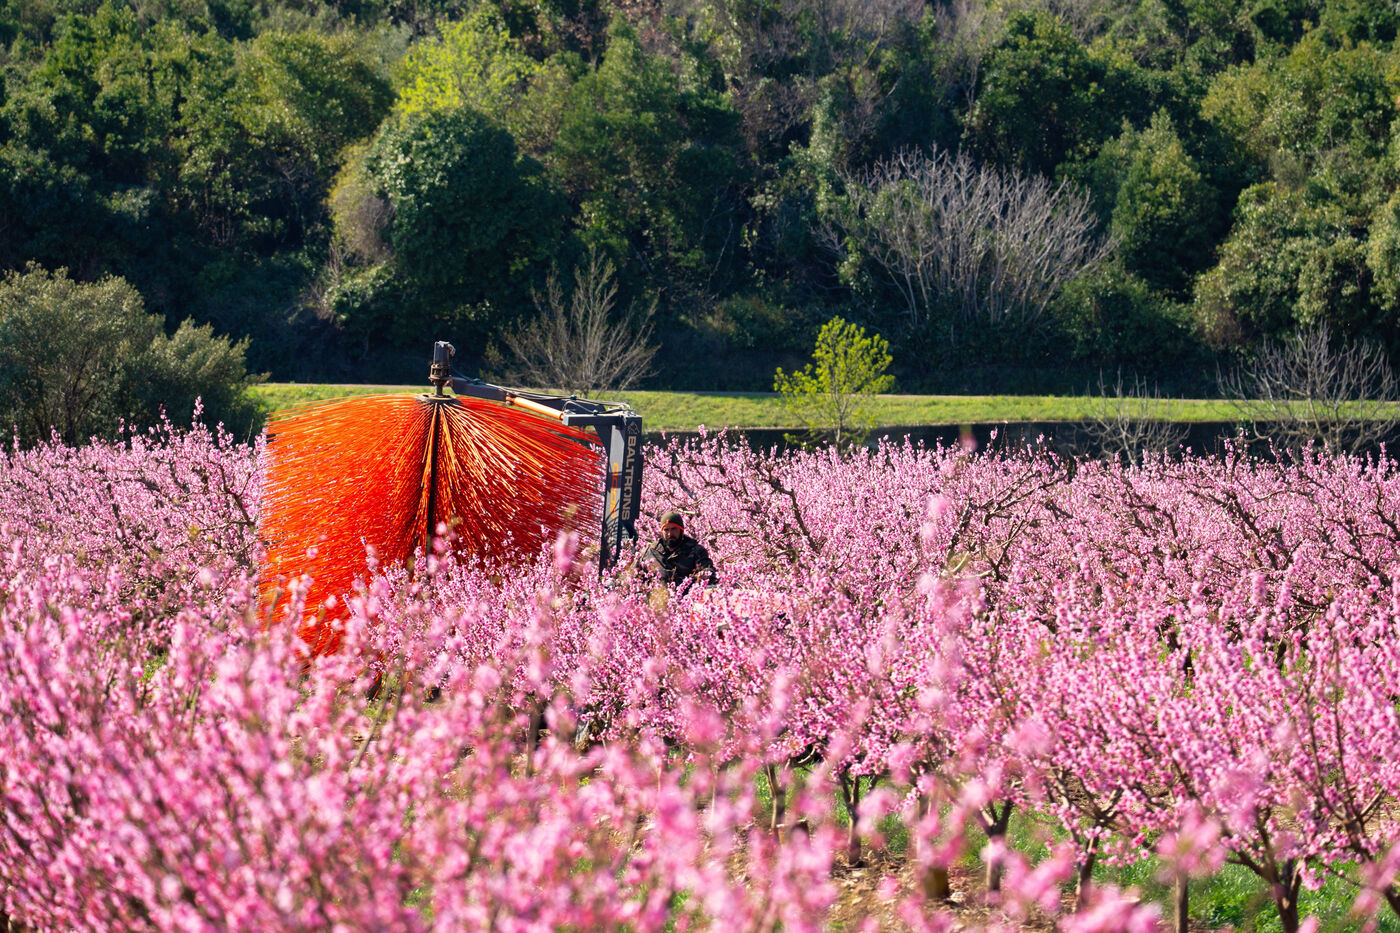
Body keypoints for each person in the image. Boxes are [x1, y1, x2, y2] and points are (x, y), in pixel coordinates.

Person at [639, 510, 716, 588]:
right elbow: (635, 576)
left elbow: (709, 570)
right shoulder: (650, 552)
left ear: (681, 530)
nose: (670, 534)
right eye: (666, 530)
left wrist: (704, 574)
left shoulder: (696, 551)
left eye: (674, 529)